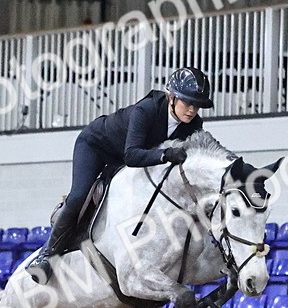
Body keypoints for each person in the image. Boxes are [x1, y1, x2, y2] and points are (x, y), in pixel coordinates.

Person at [26, 66, 215, 283]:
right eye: (187, 102)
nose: (192, 110)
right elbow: (132, 156)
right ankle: (46, 255)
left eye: (197, 106)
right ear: (171, 97)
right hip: (97, 146)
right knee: (79, 196)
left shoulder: (193, 125)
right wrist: (165, 155)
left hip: (124, 157)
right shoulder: (147, 110)